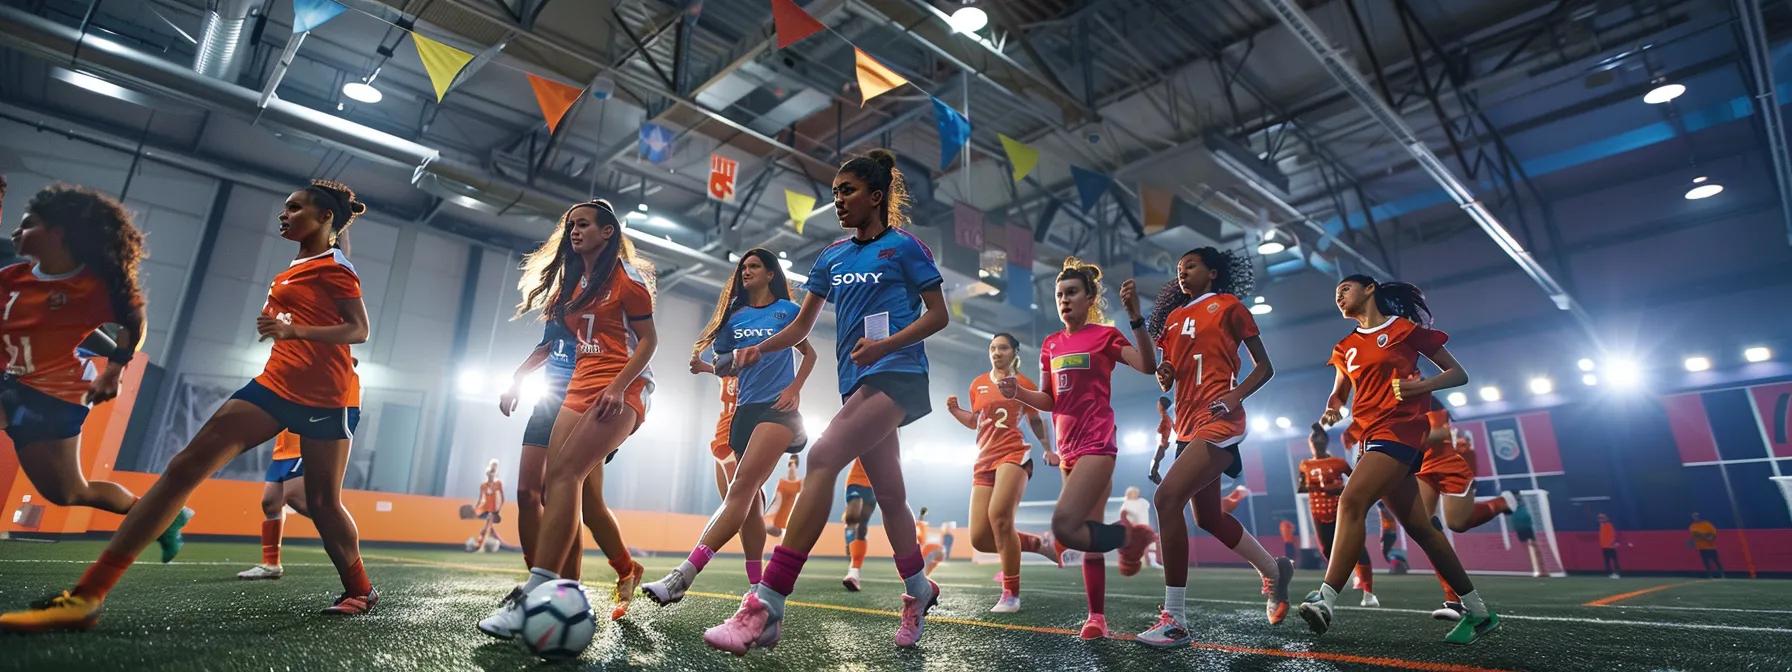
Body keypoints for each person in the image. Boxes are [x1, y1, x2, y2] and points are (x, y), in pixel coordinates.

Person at [2, 180, 376, 631]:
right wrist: (288, 330)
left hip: (327, 396)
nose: (285, 214)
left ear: (324, 218)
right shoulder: (296, 265)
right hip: (274, 384)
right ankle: (86, 597)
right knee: (185, 466)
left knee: (321, 501)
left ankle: (359, 590)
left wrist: (295, 332)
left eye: (295, 209)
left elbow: (359, 331)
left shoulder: (336, 268)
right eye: (285, 207)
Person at [704, 149, 949, 654]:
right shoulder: (832, 256)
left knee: (820, 456)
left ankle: (767, 603)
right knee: (892, 494)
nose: (837, 200)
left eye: (848, 191)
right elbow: (799, 327)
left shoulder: (905, 247)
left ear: (876, 197)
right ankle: (920, 589)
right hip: (854, 381)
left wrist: (886, 344)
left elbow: (939, 314)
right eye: (835, 192)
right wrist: (757, 347)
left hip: (899, 372)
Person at [479, 199, 658, 637]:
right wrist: (521, 377)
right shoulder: (573, 284)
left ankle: (536, 593)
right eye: (571, 225)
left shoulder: (628, 279)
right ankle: (561, 586)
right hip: (578, 385)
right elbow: (561, 342)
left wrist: (618, 386)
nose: (574, 231)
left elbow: (649, 341)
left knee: (565, 478)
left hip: (621, 388)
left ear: (607, 231)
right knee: (558, 481)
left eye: (584, 225)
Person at [1299, 275, 1497, 645]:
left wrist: (1420, 387)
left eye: (1345, 289)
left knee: (1352, 500)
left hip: (1400, 432)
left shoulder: (1404, 330)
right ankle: (1480, 611)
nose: (1339, 297)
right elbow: (1338, 395)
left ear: (1369, 288)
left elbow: (1459, 373)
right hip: (1370, 438)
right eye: (1335, 294)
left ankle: (1325, 598)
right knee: (1422, 529)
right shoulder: (1344, 347)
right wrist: (1331, 412)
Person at [0, 185, 185, 564]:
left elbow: (132, 325)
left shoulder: (94, 287)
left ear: (57, 234)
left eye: (27, 225)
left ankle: (166, 518)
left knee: (69, 493)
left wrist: (115, 370)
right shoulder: (12, 276)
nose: (17, 233)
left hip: (55, 396)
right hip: (10, 383)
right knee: (67, 492)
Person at [1135, 247, 1291, 648]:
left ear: (1212, 272)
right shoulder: (1171, 320)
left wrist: (1237, 395)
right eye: (1178, 267)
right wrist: (1164, 373)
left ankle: (1176, 620)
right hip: (1187, 426)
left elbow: (1265, 367)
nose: (1182, 272)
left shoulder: (1229, 306)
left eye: (1190, 265)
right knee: (1207, 518)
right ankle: (1274, 570)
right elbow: (1166, 378)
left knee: (1166, 499)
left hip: (1220, 420)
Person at [642, 248, 816, 605]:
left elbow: (809, 353)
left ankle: (682, 576)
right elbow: (724, 365)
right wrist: (723, 362)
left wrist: (795, 388)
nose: (746, 272)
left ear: (771, 274)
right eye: (743, 268)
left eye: (754, 266)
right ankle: (756, 585)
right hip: (744, 412)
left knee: (741, 490)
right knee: (748, 502)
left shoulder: (787, 311)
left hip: (778, 410)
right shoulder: (734, 317)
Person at [1000, 257, 1158, 641]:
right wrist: (1017, 391)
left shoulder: (1105, 335)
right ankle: (1097, 618)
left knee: (1063, 527)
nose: (1064, 300)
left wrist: (1136, 317)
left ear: (1090, 298)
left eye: (1072, 293)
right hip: (1067, 448)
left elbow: (1148, 366)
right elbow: (1050, 400)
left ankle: (1128, 537)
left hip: (1098, 444)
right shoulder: (1051, 344)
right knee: (1086, 531)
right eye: (1058, 295)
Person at [943, 332, 1060, 612]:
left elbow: (1035, 420)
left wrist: (1048, 448)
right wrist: (955, 411)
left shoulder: (1024, 383)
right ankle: (1038, 543)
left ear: (1014, 352)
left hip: (1014, 454)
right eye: (993, 348)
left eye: (1003, 348)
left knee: (999, 517)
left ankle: (1011, 593)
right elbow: (976, 422)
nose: (997, 352)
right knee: (981, 538)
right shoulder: (978, 384)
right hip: (984, 459)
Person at [495, 292, 580, 576]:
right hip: (548, 402)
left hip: (582, 403)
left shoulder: (610, 295)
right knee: (526, 493)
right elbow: (546, 346)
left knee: (558, 495)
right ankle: (537, 582)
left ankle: (569, 586)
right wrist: (516, 381)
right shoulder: (560, 299)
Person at [1418, 401, 1517, 619]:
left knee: (1457, 523)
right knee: (1423, 528)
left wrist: (1402, 435)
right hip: (1422, 468)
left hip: (1450, 466)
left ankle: (1500, 503)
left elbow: (1441, 432)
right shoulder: (1388, 405)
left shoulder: (1428, 403)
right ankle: (1452, 600)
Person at [689, 357, 764, 583]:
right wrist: (705, 367)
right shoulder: (729, 364)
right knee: (734, 512)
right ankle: (756, 581)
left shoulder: (756, 361)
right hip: (720, 441)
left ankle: (757, 583)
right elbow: (725, 370)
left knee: (745, 512)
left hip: (738, 440)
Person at [1297, 424, 1375, 605]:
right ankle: (1340, 578)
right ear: (1310, 443)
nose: (1316, 442)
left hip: (1339, 511)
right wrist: (1314, 486)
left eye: (1320, 439)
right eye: (1313, 439)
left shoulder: (1338, 462)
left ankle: (1368, 592)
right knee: (1327, 549)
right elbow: (1301, 487)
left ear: (1326, 441)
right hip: (1318, 512)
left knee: (1356, 547)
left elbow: (1354, 480)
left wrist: (1338, 488)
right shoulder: (1305, 465)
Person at [237, 431, 310, 579]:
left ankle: (344, 537)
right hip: (281, 453)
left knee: (297, 500)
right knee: (270, 503)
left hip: (302, 448)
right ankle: (271, 564)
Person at [839, 459, 876, 592]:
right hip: (855, 480)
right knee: (852, 517)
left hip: (873, 485)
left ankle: (854, 572)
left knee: (862, 527)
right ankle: (849, 536)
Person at [470, 459, 506, 552]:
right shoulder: (483, 485)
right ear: (487, 474)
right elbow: (480, 498)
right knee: (488, 528)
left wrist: (499, 509)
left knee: (487, 527)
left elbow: (502, 497)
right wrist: (476, 508)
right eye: (489, 474)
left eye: (492, 474)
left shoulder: (498, 484)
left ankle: (480, 546)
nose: (491, 475)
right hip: (485, 509)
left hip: (494, 510)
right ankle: (500, 543)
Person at [765, 455, 802, 538]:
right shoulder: (781, 481)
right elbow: (775, 500)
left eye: (794, 463)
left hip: (788, 519)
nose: (792, 466)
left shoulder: (800, 483)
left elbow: (800, 502)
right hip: (776, 518)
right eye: (790, 463)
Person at [1512, 499, 1543, 578]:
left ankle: (1541, 570)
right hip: (1521, 528)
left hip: (1526, 528)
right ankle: (1534, 569)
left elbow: (1528, 517)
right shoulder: (1515, 507)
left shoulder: (1523, 505)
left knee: (1534, 547)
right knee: (1528, 549)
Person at [1688, 512, 1722, 578]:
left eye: (1697, 516)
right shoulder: (1692, 526)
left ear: (1700, 516)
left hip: (1711, 546)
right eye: (1694, 517)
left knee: (1716, 560)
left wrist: (1707, 536)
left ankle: (1722, 574)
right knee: (1706, 562)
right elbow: (1695, 535)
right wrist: (1706, 536)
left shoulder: (1707, 524)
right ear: (1693, 518)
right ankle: (1710, 575)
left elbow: (1713, 532)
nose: (1696, 518)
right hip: (1701, 547)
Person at [1377, 502, 1407, 574]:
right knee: (1386, 552)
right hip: (1389, 534)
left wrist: (1383, 536)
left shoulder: (1386, 512)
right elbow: (1384, 524)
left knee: (1387, 553)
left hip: (1389, 534)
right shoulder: (1385, 512)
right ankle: (1398, 565)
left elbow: (1387, 522)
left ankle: (1399, 564)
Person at [1598, 513, 1620, 578]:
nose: (1600, 520)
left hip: (1610, 546)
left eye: (1601, 518)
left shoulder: (1609, 525)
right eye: (1599, 518)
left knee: (1614, 560)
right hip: (1604, 546)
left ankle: (1617, 573)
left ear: (1605, 519)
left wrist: (1612, 543)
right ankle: (1610, 573)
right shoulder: (1601, 526)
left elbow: (1612, 535)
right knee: (1607, 561)